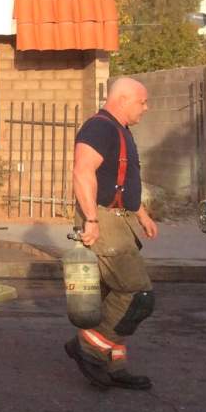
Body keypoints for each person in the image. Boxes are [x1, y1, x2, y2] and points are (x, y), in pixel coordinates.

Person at [67, 77, 157, 390]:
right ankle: (88, 346)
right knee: (136, 294)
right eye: (142, 101)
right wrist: (91, 220)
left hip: (119, 218)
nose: (146, 108)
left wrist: (141, 213)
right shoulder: (100, 127)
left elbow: (122, 178)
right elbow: (82, 172)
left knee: (111, 295)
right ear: (122, 98)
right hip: (103, 219)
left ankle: (113, 363)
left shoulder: (120, 130)